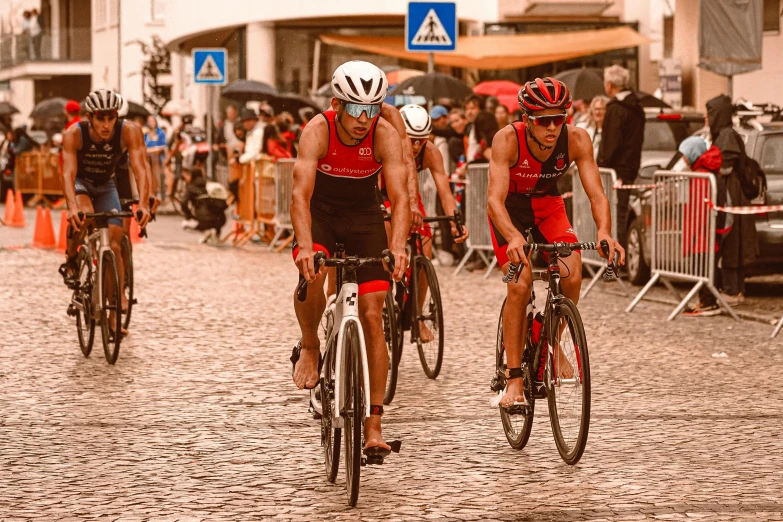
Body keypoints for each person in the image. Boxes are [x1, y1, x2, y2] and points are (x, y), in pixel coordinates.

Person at [291, 60, 409, 462]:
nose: (364, 119)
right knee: (312, 275)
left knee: (374, 312)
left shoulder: (386, 135)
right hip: (320, 213)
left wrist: (398, 245)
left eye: (372, 109)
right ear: (336, 104)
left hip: (364, 216)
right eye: (356, 109)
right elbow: (299, 197)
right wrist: (306, 247)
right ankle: (310, 345)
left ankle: (373, 426)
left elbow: (401, 197)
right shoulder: (317, 131)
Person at [487, 77, 624, 407]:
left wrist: (604, 231)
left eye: (558, 119)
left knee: (572, 272)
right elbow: (494, 200)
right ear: (526, 119)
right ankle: (515, 380)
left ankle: (553, 341)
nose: (552, 127)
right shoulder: (507, 140)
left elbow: (596, 194)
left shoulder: (577, 139)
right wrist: (514, 236)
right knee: (519, 285)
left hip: (548, 206)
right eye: (543, 120)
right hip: (510, 210)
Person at [60, 89, 152, 335]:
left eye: (111, 117)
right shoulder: (74, 134)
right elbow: (68, 173)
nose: (106, 124)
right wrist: (72, 207)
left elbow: (141, 169)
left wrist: (143, 204)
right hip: (82, 183)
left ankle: (113, 313)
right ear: (90, 117)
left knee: (115, 241)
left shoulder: (129, 131)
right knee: (85, 215)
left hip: (106, 185)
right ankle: (70, 259)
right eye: (100, 118)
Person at [394, 104, 469, 340]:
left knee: (425, 251)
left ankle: (415, 317)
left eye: (421, 140)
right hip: (386, 195)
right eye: (412, 140)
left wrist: (455, 221)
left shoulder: (431, 152)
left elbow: (446, 194)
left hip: (412, 200)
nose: (416, 146)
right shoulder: (388, 144)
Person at [706, 94, 757, 306]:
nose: (707, 120)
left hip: (731, 195)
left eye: (709, 115)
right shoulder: (727, 133)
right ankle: (735, 290)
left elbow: (724, 165)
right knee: (733, 244)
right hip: (731, 195)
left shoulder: (726, 135)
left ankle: (732, 290)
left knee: (732, 244)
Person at [677, 137, 729, 317]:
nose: (683, 159)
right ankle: (706, 300)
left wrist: (691, 235)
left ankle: (709, 301)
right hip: (705, 232)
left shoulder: (702, 175)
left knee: (705, 266)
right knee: (706, 266)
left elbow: (699, 210)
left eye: (685, 155)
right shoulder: (703, 171)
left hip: (703, 233)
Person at [597, 64, 645, 250]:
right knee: (621, 211)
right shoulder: (636, 107)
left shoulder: (616, 109)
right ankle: (620, 252)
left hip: (615, 169)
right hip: (630, 166)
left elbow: (611, 142)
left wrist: (601, 163)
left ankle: (616, 256)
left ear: (610, 85)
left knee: (613, 213)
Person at [181, 167, 228, 243]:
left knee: (184, 225)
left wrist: (189, 217)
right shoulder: (210, 184)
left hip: (204, 220)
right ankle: (216, 233)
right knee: (214, 211)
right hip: (221, 219)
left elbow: (183, 203)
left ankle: (205, 232)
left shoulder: (191, 187)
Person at [463, 94, 498, 165]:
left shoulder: (483, 122)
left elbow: (487, 149)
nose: (469, 112)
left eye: (473, 108)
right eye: (467, 109)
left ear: (481, 109)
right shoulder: (470, 127)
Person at [576, 95, 609, 159]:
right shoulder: (582, 127)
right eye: (596, 109)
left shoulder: (611, 132)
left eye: (602, 109)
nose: (598, 112)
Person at [144, 116, 168, 202]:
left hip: (157, 159)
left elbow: (163, 146)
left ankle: (161, 195)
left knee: (160, 177)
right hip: (148, 158)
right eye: (149, 121)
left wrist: (155, 150)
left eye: (152, 121)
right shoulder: (146, 133)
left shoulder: (160, 132)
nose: (151, 122)